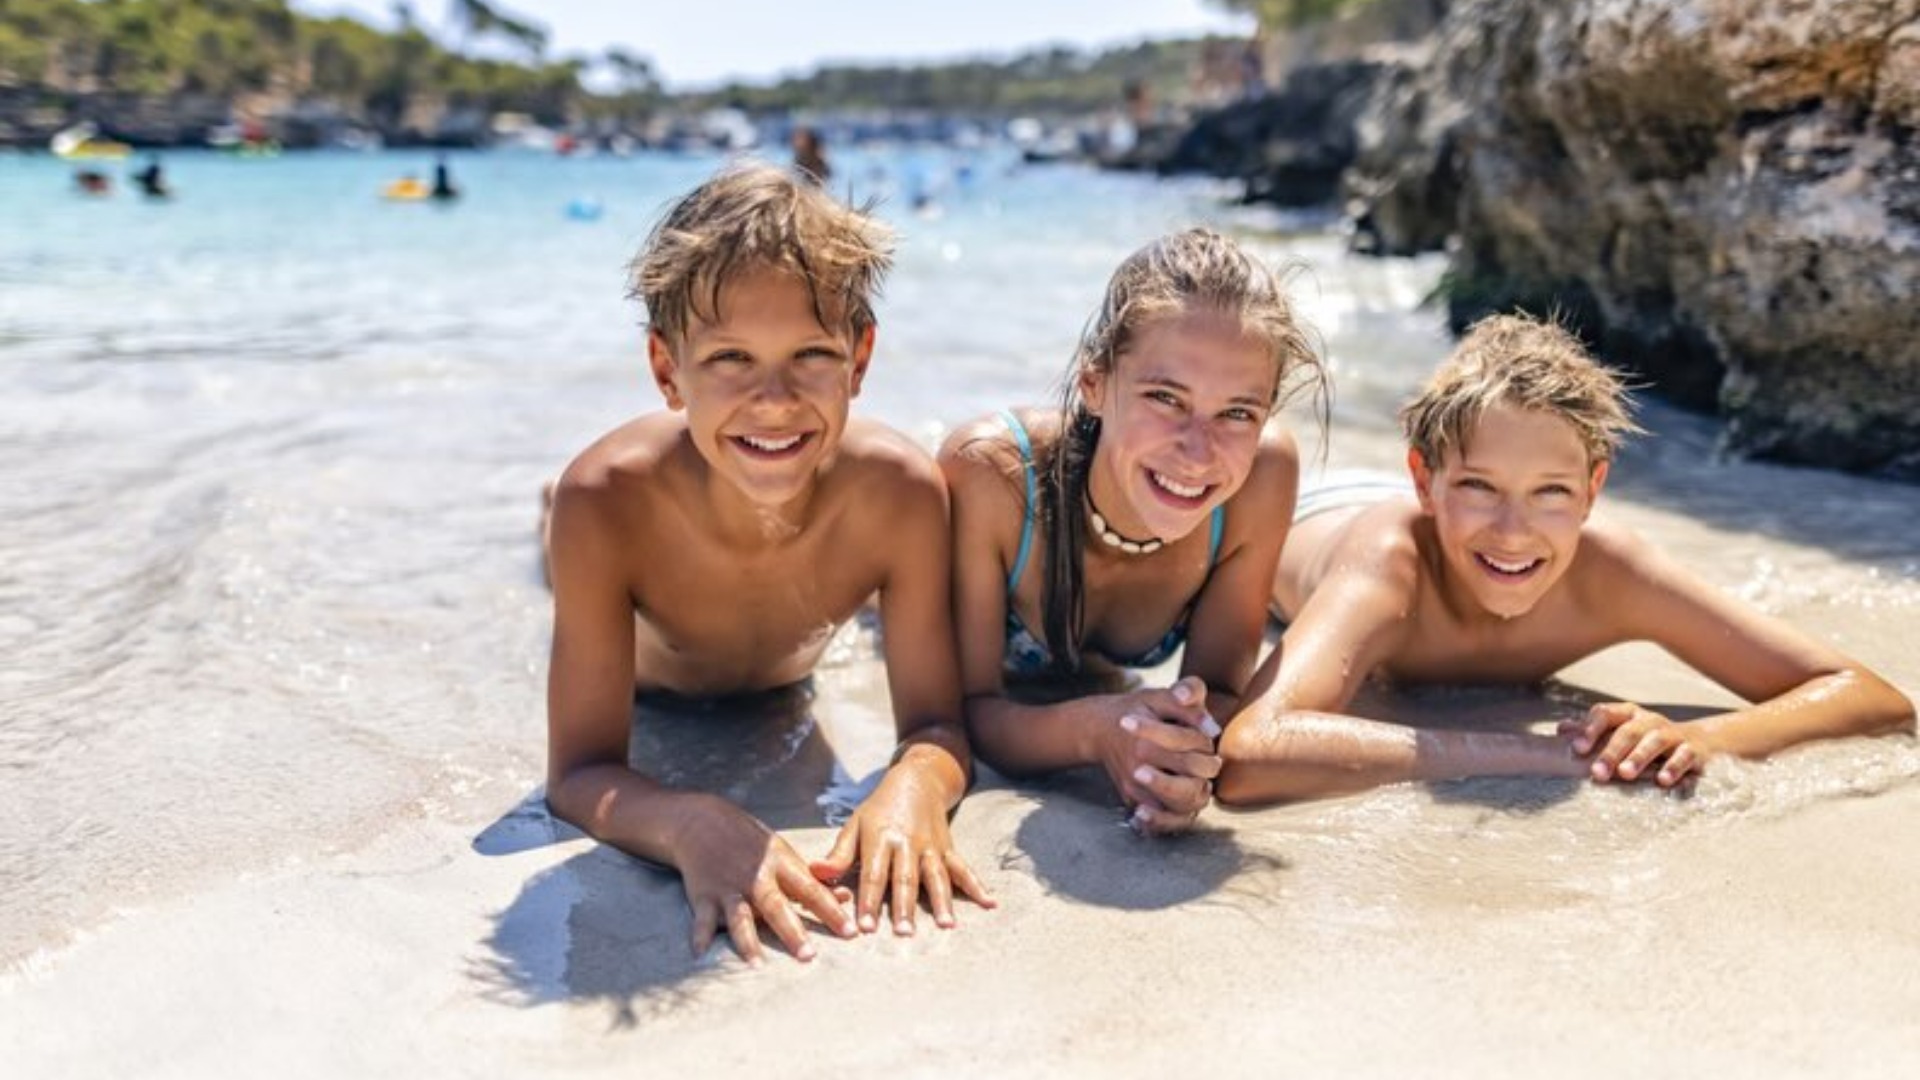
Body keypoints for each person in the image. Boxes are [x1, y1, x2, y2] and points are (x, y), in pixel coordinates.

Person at [544, 162, 992, 966]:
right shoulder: (604, 504)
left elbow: (935, 726)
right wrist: (688, 821)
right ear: (667, 371)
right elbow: (580, 773)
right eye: (730, 359)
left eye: (812, 354)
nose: (776, 400)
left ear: (859, 359)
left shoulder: (900, 495)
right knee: (552, 544)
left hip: (787, 676)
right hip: (660, 688)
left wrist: (914, 785)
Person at [1215, 313, 1915, 804]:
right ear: (1425, 481)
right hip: (1326, 511)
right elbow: (1250, 754)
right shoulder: (1390, 563)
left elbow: (1869, 696)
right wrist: (1550, 754)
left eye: (1551, 493)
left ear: (1592, 491)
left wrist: (1702, 740)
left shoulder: (1611, 571)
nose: (1514, 532)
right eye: (1480, 486)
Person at [939, 228, 1327, 835]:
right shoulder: (994, 475)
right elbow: (967, 713)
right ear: (1094, 385)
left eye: (1237, 412)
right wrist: (1100, 731)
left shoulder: (1262, 474)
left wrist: (1178, 760)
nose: (1198, 451)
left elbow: (1219, 692)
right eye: (1166, 398)